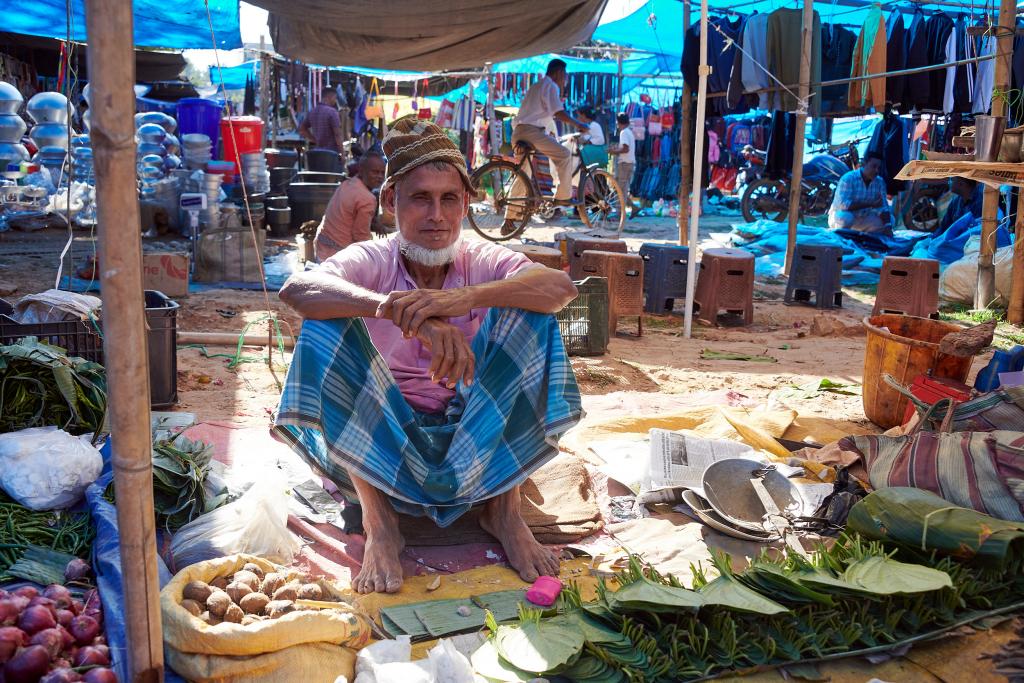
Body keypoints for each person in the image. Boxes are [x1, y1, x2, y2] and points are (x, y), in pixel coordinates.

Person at [274, 117, 582, 594]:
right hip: (381, 445)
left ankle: (503, 511)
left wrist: (463, 300)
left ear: (465, 204)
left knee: (533, 313)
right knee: (322, 327)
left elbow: (560, 288)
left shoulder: (480, 260)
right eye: (421, 198)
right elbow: (299, 287)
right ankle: (381, 523)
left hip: (475, 441)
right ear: (392, 201)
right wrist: (397, 310)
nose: (436, 215)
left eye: (449, 199)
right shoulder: (374, 259)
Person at [501, 59, 589, 233]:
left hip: (519, 132)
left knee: (523, 175)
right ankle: (563, 197)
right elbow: (558, 112)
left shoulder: (536, 86)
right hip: (531, 132)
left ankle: (509, 220)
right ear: (558, 73)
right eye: (564, 77)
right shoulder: (550, 86)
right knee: (564, 154)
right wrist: (578, 124)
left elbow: (546, 117)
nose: (565, 81)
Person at [314, 151, 387, 261]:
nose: (380, 177)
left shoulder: (346, 185)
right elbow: (361, 237)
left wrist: (374, 223)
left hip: (320, 247)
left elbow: (350, 215)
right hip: (337, 257)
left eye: (382, 173)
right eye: (375, 172)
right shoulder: (367, 199)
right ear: (362, 171)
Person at [827, 154, 892, 234]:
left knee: (890, 220)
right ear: (864, 164)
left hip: (862, 218)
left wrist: (888, 226)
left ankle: (864, 237)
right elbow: (843, 205)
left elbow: (883, 207)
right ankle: (840, 236)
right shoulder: (848, 178)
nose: (876, 171)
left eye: (879, 168)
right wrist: (870, 204)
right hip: (840, 217)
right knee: (846, 218)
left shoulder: (879, 182)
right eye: (874, 166)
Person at [300, 87, 346, 156]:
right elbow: (337, 134)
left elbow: (302, 129)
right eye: (335, 98)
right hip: (331, 153)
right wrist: (343, 153)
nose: (335, 101)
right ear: (330, 97)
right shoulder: (332, 112)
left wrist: (314, 139)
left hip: (318, 151)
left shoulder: (313, 112)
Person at [609, 113, 637, 219]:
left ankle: (619, 214)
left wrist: (613, 151)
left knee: (620, 190)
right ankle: (633, 208)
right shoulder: (628, 132)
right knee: (622, 189)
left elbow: (625, 149)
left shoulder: (624, 133)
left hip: (625, 163)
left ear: (618, 122)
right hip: (628, 163)